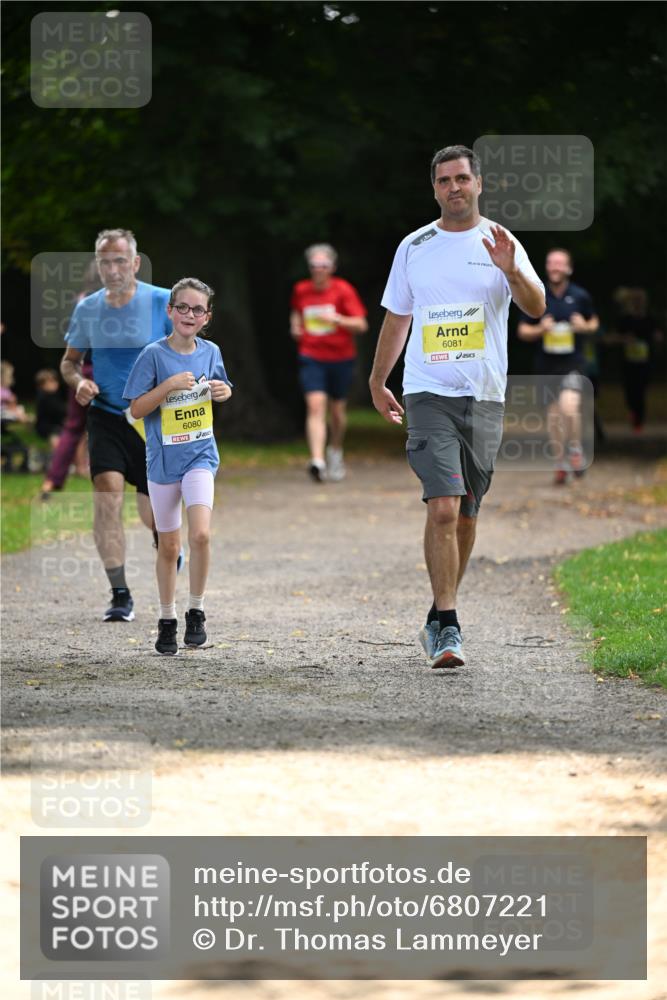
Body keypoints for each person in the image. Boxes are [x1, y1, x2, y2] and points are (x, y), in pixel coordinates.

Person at [369, 144, 545, 670]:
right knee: (443, 504)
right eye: (444, 180)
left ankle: (435, 614)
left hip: (484, 393)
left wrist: (512, 271)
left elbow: (536, 307)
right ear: (435, 188)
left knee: (467, 512)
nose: (454, 187)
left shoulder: (502, 242)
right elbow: (398, 318)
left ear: (479, 183)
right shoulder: (414, 246)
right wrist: (379, 380)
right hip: (428, 393)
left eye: (462, 178)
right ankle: (449, 624)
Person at [60, 228, 174, 622]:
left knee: (153, 514)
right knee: (106, 496)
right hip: (107, 415)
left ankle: (168, 546)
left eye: (120, 260)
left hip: (153, 421)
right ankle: (120, 593)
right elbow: (69, 362)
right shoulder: (88, 308)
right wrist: (80, 382)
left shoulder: (162, 302)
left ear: (135, 263)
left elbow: (186, 352)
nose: (112, 269)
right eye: (105, 262)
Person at [123, 278, 232, 655]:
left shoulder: (211, 351)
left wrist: (223, 390)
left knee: (201, 535)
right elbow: (135, 410)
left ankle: (196, 611)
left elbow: (222, 385)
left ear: (207, 317)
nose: (189, 314)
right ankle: (167, 618)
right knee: (169, 546)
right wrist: (167, 386)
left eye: (197, 309)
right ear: (170, 311)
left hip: (201, 455)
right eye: (182, 307)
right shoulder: (153, 355)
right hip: (163, 461)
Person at [517, 249, 599, 485]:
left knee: (569, 407)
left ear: (569, 268)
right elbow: (522, 331)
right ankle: (560, 461)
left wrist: (584, 326)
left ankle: (575, 450)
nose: (554, 267)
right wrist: (540, 329)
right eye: (551, 263)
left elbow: (594, 322)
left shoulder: (580, 295)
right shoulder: (536, 294)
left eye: (559, 264)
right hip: (546, 365)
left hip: (573, 363)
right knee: (553, 418)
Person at [290, 243, 368, 482]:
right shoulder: (301, 289)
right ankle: (317, 460)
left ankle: (334, 450)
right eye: (314, 265)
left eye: (323, 265)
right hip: (311, 356)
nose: (319, 270)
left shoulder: (343, 290)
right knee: (315, 406)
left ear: (332, 267)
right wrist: (294, 325)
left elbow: (361, 325)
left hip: (340, 357)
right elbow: (296, 311)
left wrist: (338, 319)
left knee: (336, 412)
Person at [611, 287, 664, 433]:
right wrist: (625, 339)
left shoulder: (650, 318)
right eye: (635, 300)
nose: (638, 303)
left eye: (641, 300)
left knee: (641, 389)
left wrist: (657, 338)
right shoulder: (625, 319)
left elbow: (657, 335)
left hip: (645, 361)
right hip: (627, 361)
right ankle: (632, 411)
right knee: (630, 390)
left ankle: (638, 420)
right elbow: (614, 337)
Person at [34, 369, 66, 448]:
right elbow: (56, 410)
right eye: (51, 381)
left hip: (56, 424)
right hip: (46, 426)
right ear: (42, 385)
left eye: (55, 381)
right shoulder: (43, 397)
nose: (55, 383)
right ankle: (58, 454)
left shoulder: (55, 395)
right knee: (55, 435)